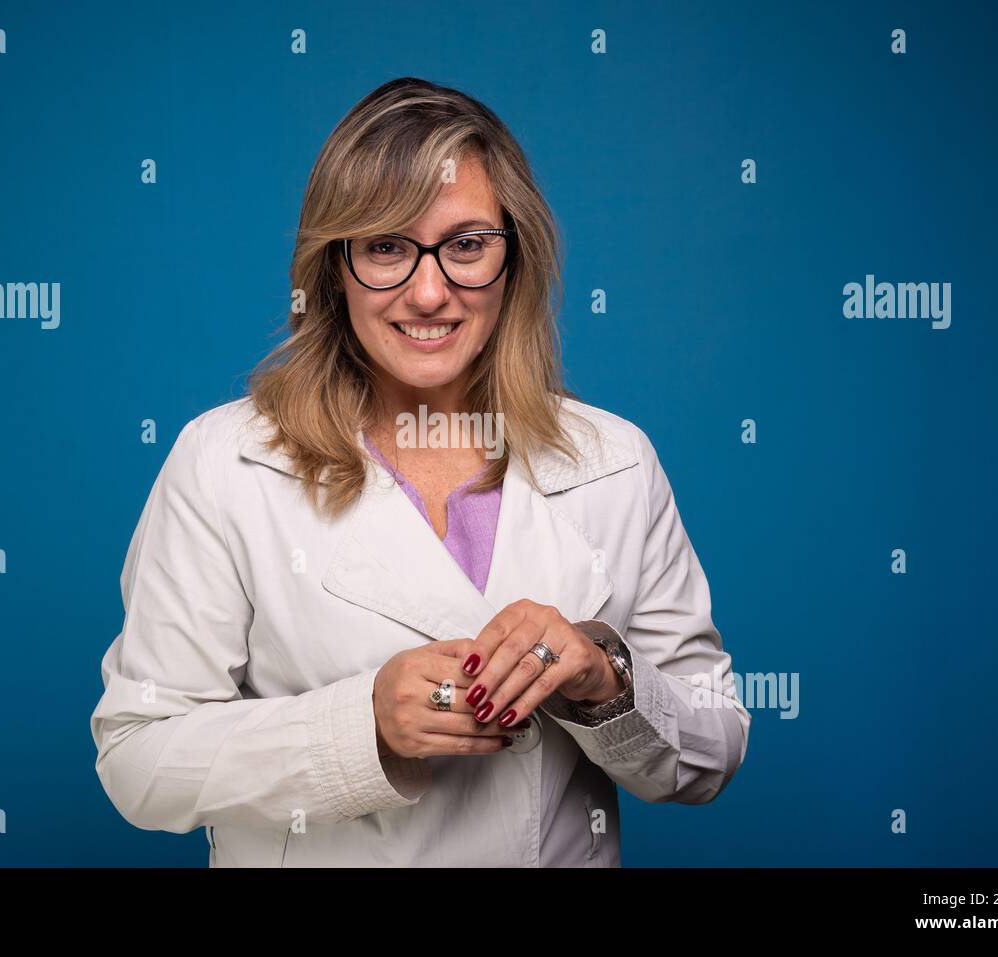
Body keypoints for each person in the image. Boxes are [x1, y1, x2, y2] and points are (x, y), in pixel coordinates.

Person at [89, 76, 750, 867]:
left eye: (466, 244)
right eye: (386, 247)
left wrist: (604, 673)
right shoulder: (224, 463)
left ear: (515, 256)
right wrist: (362, 723)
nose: (429, 291)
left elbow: (709, 755)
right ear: (333, 266)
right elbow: (138, 757)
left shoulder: (615, 462)